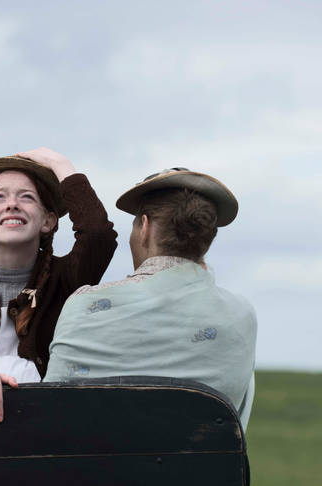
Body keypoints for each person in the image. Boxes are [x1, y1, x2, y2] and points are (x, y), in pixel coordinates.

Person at [44, 168, 257, 430]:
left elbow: (50, 413)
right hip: (202, 458)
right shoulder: (241, 315)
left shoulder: (85, 305)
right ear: (206, 239)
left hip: (97, 458)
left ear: (144, 228)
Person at [0, 147, 117, 426]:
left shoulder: (67, 277)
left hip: (51, 422)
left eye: (26, 197)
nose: (12, 205)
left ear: (48, 221)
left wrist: (61, 165)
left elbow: (98, 235)